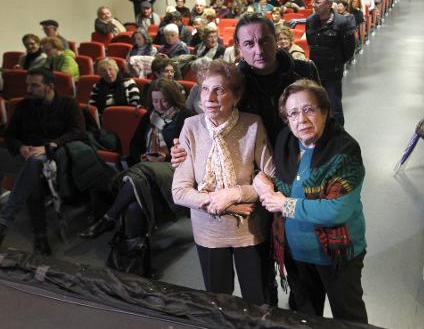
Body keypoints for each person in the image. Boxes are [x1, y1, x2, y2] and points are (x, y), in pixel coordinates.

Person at [170, 13, 320, 306]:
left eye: (264, 40)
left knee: (303, 273)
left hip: (299, 178)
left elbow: (329, 117)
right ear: (239, 47)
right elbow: (193, 118)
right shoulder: (232, 78)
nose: (258, 49)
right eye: (249, 43)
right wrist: (176, 147)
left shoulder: (304, 70)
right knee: (261, 279)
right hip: (260, 191)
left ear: (277, 40)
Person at [256, 79, 368, 323]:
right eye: (293, 113)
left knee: (348, 317)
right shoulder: (285, 141)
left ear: (325, 111)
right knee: (305, 317)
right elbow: (270, 174)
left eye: (309, 109)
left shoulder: (344, 150)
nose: (301, 119)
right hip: (296, 252)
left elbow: (336, 210)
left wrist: (284, 204)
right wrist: (260, 179)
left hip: (336, 255)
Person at [171, 60, 274, 305]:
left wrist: (236, 194)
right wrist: (222, 203)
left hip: (249, 230)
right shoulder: (191, 127)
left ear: (236, 96)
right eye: (205, 89)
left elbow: (271, 175)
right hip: (208, 230)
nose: (210, 97)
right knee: (218, 300)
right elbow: (179, 191)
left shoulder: (253, 124)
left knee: (257, 299)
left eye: (220, 90)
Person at [79, 80, 193, 262]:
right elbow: (134, 145)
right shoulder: (150, 116)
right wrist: (142, 156)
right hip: (146, 171)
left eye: (164, 101)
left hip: (175, 170)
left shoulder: (186, 117)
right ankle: (133, 261)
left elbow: (192, 153)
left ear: (172, 98)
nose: (160, 106)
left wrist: (164, 158)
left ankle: (108, 218)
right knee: (133, 207)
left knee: (141, 171)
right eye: (155, 101)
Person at [0, 68, 86, 255]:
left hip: (57, 154)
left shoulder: (68, 104)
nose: (29, 89)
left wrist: (50, 146)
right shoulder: (25, 105)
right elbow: (10, 134)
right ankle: (38, 236)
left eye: (35, 85)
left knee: (35, 168)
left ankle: (10, 222)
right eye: (28, 85)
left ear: (50, 86)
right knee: (33, 175)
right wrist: (21, 147)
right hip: (29, 155)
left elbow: (78, 132)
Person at [306, 0, 356, 127]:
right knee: (315, 107)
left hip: (333, 73)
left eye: (317, 2)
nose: (313, 4)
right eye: (313, 1)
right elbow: (311, 44)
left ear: (328, 4)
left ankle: (339, 137)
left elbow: (349, 49)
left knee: (335, 108)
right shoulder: (310, 20)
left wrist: (337, 63)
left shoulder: (342, 22)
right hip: (315, 73)